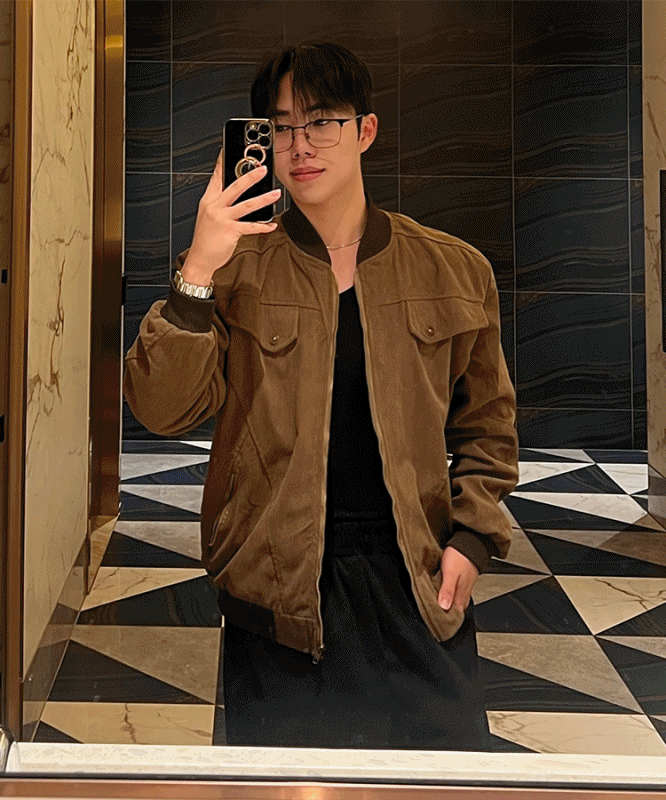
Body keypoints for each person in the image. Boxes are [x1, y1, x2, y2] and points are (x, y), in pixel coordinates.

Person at [123, 42, 519, 751]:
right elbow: (162, 409)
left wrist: (472, 540)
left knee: (441, 782)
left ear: (365, 131)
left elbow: (488, 429)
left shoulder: (453, 269)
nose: (299, 145)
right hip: (275, 591)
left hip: (415, 579)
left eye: (321, 122)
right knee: (281, 787)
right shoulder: (234, 268)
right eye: (279, 127)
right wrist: (200, 262)